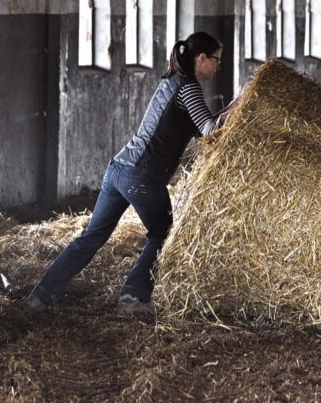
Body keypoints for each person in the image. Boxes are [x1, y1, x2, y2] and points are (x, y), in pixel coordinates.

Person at [27, 31, 225, 314]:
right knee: (162, 233)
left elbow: (200, 127)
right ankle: (133, 298)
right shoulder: (188, 88)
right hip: (142, 176)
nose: (218, 67)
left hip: (118, 169)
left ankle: (41, 296)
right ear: (202, 58)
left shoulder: (172, 81)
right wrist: (239, 110)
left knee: (91, 236)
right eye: (216, 60)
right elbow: (211, 131)